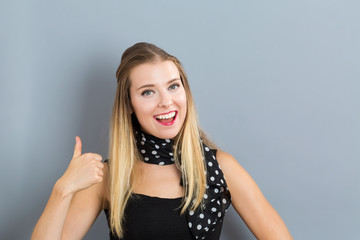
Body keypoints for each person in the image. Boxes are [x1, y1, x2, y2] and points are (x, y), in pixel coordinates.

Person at [31, 42, 293, 240]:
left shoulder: (221, 167)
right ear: (129, 104)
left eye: (173, 86)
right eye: (148, 92)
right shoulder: (109, 176)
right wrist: (62, 190)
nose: (166, 101)